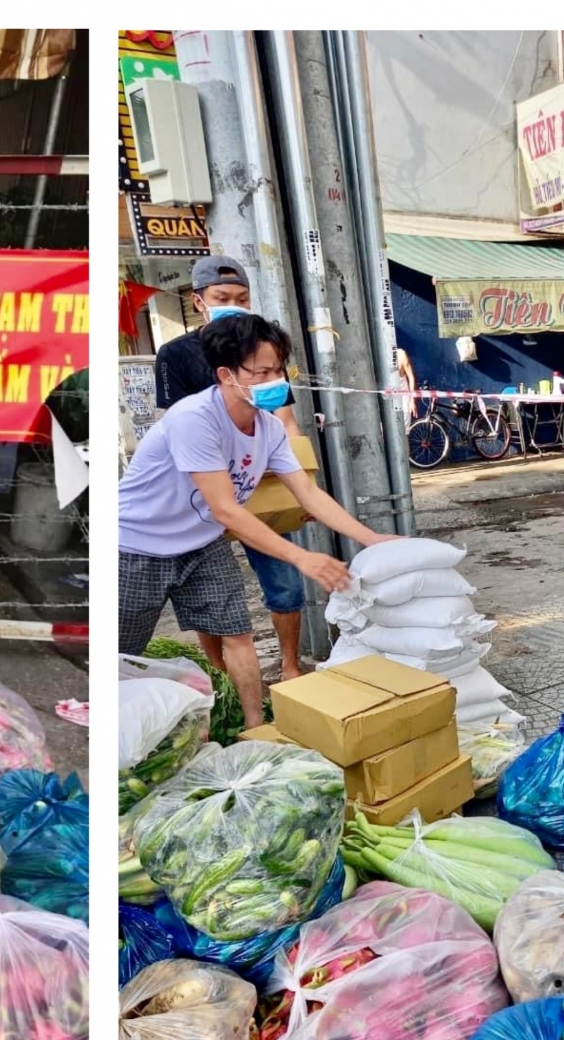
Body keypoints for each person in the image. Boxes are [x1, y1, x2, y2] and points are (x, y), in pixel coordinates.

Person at [120, 314, 400, 729]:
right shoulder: (193, 419)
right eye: (261, 371)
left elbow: (308, 493)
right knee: (121, 652)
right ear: (226, 375)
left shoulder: (268, 428)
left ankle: (255, 729)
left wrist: (370, 537)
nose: (274, 380)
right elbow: (226, 509)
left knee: (238, 634)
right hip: (135, 546)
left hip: (201, 543)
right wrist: (303, 558)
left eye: (278, 370)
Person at [154, 255, 313, 677]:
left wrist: (302, 477)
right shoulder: (175, 355)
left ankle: (291, 666)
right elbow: (173, 427)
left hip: (261, 483)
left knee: (284, 580)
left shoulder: (263, 348)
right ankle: (222, 675)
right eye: (222, 297)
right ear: (199, 300)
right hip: (205, 492)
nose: (234, 304)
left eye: (242, 298)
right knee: (206, 593)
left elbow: (284, 419)